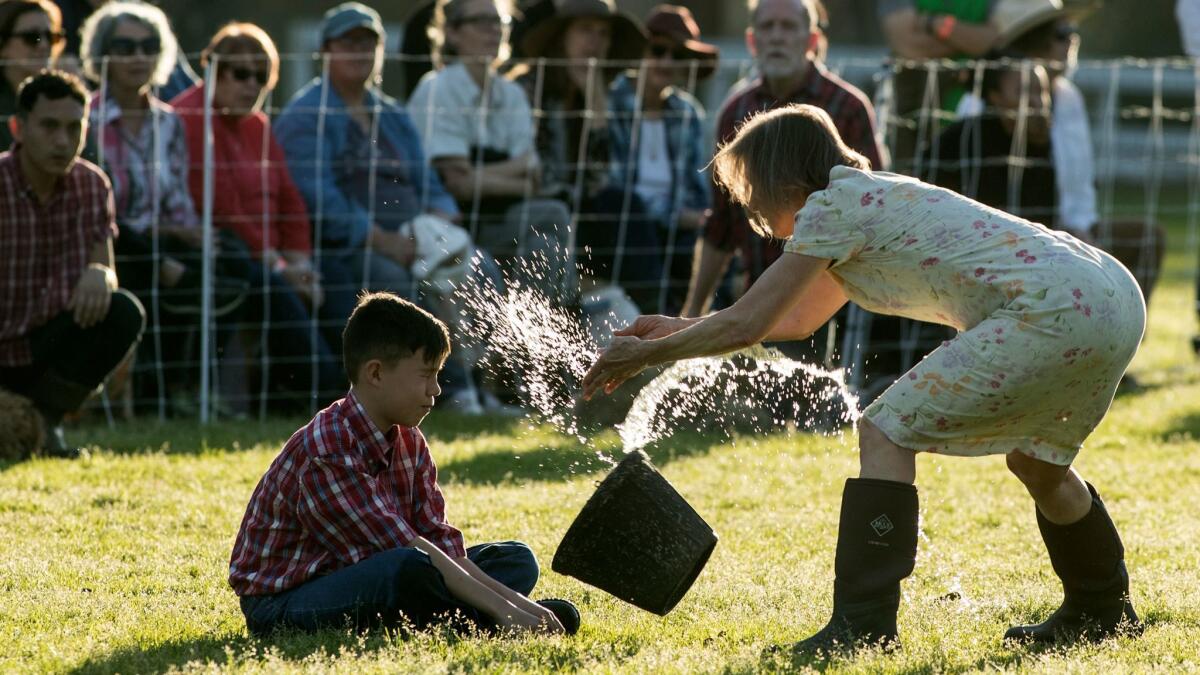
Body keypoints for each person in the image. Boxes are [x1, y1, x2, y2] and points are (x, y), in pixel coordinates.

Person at [583, 104, 1144, 653]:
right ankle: (1102, 609)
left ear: (782, 176)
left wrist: (646, 355)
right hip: (1110, 295)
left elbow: (750, 323)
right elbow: (794, 319)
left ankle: (864, 627)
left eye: (750, 188)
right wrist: (676, 330)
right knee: (1038, 462)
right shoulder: (864, 200)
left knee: (884, 431)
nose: (750, 209)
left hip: (1055, 309)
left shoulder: (832, 210)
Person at [229, 291, 579, 636]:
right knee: (409, 568)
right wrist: (509, 608)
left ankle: (471, 617)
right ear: (376, 374)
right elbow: (402, 547)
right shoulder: (328, 448)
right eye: (426, 375)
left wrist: (524, 607)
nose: (436, 390)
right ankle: (480, 621)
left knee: (515, 559)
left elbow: (437, 540)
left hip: (370, 568)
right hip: (284, 601)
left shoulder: (409, 439)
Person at [275, 2, 506, 415]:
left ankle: (485, 388)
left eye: (369, 44)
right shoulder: (305, 116)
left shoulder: (392, 114)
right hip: (349, 247)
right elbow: (316, 196)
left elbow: (428, 180)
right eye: (349, 43)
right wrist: (380, 239)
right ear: (326, 50)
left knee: (481, 270)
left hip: (417, 236)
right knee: (392, 282)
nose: (360, 52)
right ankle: (449, 390)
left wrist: (440, 219)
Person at [80, 0, 250, 414]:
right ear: (102, 52)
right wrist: (166, 246)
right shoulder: (87, 118)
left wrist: (192, 234)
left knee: (233, 260)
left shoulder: (169, 121)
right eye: (124, 46)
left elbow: (175, 197)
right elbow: (102, 207)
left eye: (148, 46)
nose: (138, 57)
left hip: (164, 236)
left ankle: (188, 387)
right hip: (114, 241)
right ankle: (154, 394)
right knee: (165, 269)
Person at [172, 22, 346, 411]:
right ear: (212, 68)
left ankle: (361, 388)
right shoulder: (189, 118)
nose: (251, 85)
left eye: (261, 76)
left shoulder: (258, 126)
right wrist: (279, 263)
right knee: (275, 289)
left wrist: (298, 258)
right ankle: (326, 392)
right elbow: (218, 207)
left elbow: (289, 199)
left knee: (336, 276)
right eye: (240, 73)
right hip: (231, 252)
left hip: (274, 255)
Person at [0, 70, 145, 457]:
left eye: (73, 127)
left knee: (123, 312)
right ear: (18, 128)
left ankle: (46, 423)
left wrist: (101, 273)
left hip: (45, 342)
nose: (63, 141)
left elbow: (105, 266)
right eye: (49, 126)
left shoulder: (92, 184)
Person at [410, 0, 577, 308]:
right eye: (481, 21)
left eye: (498, 21)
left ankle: (529, 333)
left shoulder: (511, 94)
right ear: (452, 33)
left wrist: (475, 174)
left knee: (547, 235)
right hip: (456, 224)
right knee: (552, 219)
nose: (493, 30)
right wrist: (513, 171)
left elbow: (534, 179)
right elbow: (456, 185)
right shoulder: (437, 90)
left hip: (506, 218)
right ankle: (545, 327)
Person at [517, 0, 666, 310]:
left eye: (603, 33)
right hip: (536, 205)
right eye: (585, 30)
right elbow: (541, 173)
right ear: (563, 37)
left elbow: (598, 178)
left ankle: (653, 316)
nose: (595, 41)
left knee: (626, 204)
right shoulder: (529, 88)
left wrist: (596, 108)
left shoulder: (600, 91)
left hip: (581, 205)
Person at [604, 4, 716, 315]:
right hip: (626, 229)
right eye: (658, 50)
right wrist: (674, 215)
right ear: (641, 52)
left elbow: (697, 187)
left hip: (680, 231)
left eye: (677, 55)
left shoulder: (687, 112)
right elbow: (610, 185)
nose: (666, 62)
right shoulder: (610, 103)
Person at [877, 0, 1001, 172]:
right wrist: (967, 41)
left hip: (974, 106)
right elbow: (908, 44)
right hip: (911, 110)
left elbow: (993, 40)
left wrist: (931, 23)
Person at [0, 0, 65, 150]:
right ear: (3, 46)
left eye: (51, 37)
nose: (44, 45)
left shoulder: (64, 97)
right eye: (32, 37)